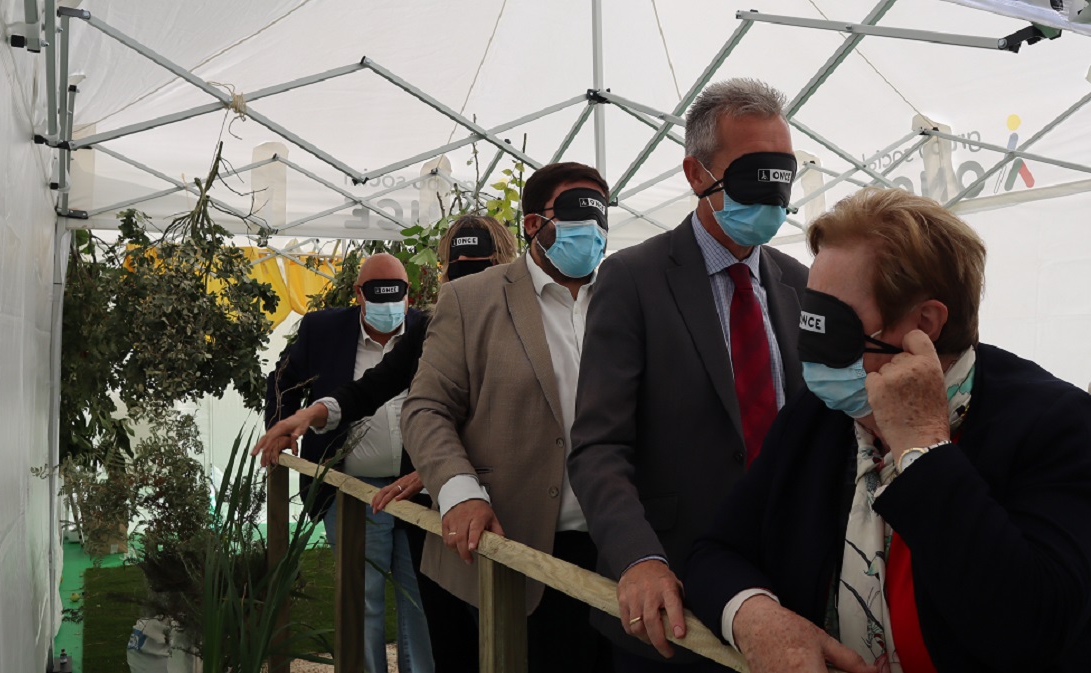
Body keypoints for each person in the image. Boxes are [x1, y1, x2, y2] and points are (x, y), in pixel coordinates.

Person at [683, 187, 1091, 673]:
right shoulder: (816, 417)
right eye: (809, 320)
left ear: (926, 323)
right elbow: (716, 551)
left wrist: (923, 448)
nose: (811, 350)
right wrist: (755, 617)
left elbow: (1030, 629)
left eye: (832, 327)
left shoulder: (1056, 425)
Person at [567, 78, 807, 671]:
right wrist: (637, 558)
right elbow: (599, 445)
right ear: (697, 175)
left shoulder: (800, 283)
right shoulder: (633, 280)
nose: (772, 195)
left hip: (790, 587)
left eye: (782, 175)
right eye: (753, 175)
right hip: (673, 602)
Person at [254, 215, 517, 673]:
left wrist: (437, 471)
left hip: (453, 496)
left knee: (446, 607)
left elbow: (508, 420)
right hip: (369, 492)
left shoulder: (522, 327)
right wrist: (300, 418)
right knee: (377, 599)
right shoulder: (429, 328)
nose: (470, 283)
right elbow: (370, 388)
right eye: (459, 271)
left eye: (481, 268)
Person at [401, 162, 613, 672]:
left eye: (599, 216)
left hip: (616, 550)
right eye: (575, 213)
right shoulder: (471, 298)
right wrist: (459, 492)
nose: (591, 229)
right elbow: (427, 407)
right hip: (512, 546)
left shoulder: (625, 296)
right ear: (533, 224)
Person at [263, 253, 432, 673]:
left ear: (409, 295)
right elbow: (282, 379)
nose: (389, 305)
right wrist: (282, 426)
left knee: (422, 599)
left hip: (420, 488)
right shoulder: (323, 330)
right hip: (351, 492)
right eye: (378, 295)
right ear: (358, 294)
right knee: (362, 598)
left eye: (396, 295)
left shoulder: (430, 329)